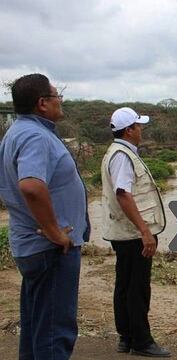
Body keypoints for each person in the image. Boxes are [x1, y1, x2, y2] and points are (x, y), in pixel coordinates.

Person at [0, 73, 90, 359]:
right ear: (42, 103)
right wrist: (54, 231)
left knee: (38, 327)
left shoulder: (18, 132)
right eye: (56, 96)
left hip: (34, 246)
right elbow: (31, 185)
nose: (60, 101)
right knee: (54, 333)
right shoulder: (34, 136)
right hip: (49, 250)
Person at [100, 107, 170, 357]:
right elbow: (123, 194)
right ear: (129, 130)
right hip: (133, 234)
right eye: (138, 126)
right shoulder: (123, 156)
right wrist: (145, 232)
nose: (141, 129)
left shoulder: (117, 152)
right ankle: (141, 341)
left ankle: (127, 338)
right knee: (137, 288)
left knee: (125, 284)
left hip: (124, 232)